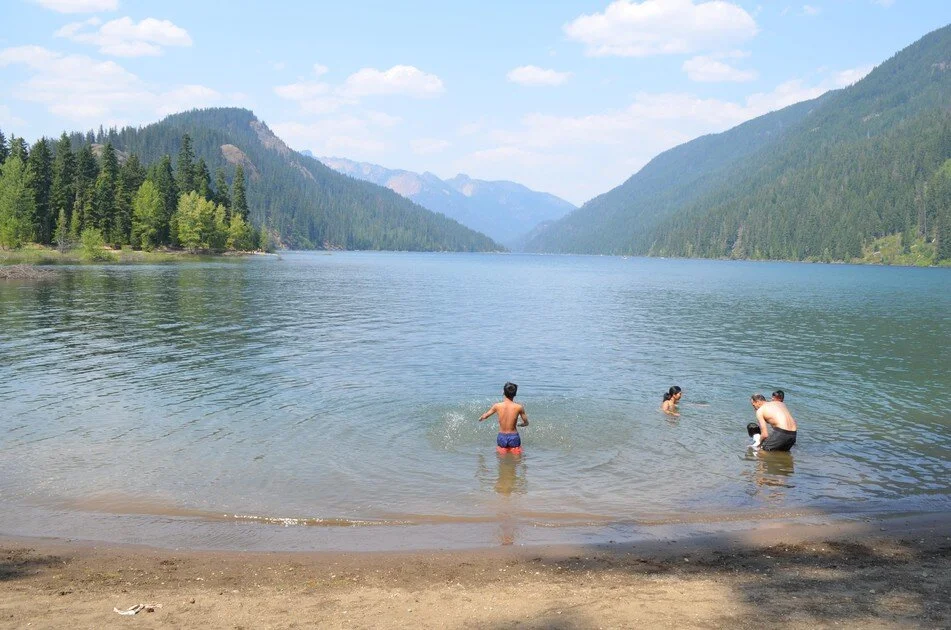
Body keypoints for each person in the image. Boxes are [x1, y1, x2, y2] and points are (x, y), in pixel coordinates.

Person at [479, 382, 528, 455]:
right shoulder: (519, 407)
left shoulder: (497, 406)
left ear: (503, 393)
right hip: (513, 436)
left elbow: (485, 416)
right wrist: (521, 425)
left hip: (502, 436)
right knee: (516, 458)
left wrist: (481, 418)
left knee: (501, 460)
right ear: (515, 394)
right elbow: (526, 423)